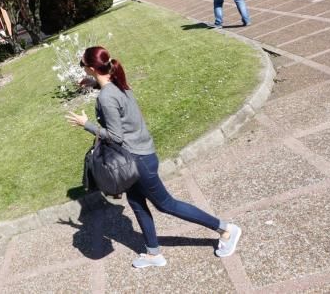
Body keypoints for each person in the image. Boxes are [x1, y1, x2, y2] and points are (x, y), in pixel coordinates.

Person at [65, 46, 242, 268]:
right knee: (136, 202)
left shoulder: (107, 97)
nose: (83, 69)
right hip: (141, 155)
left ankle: (225, 230)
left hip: (136, 161)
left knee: (167, 204)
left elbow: (116, 137)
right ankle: (152, 252)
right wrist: (93, 84)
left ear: (91, 68)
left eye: (83, 66)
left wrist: (86, 125)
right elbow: (113, 100)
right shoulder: (118, 82)